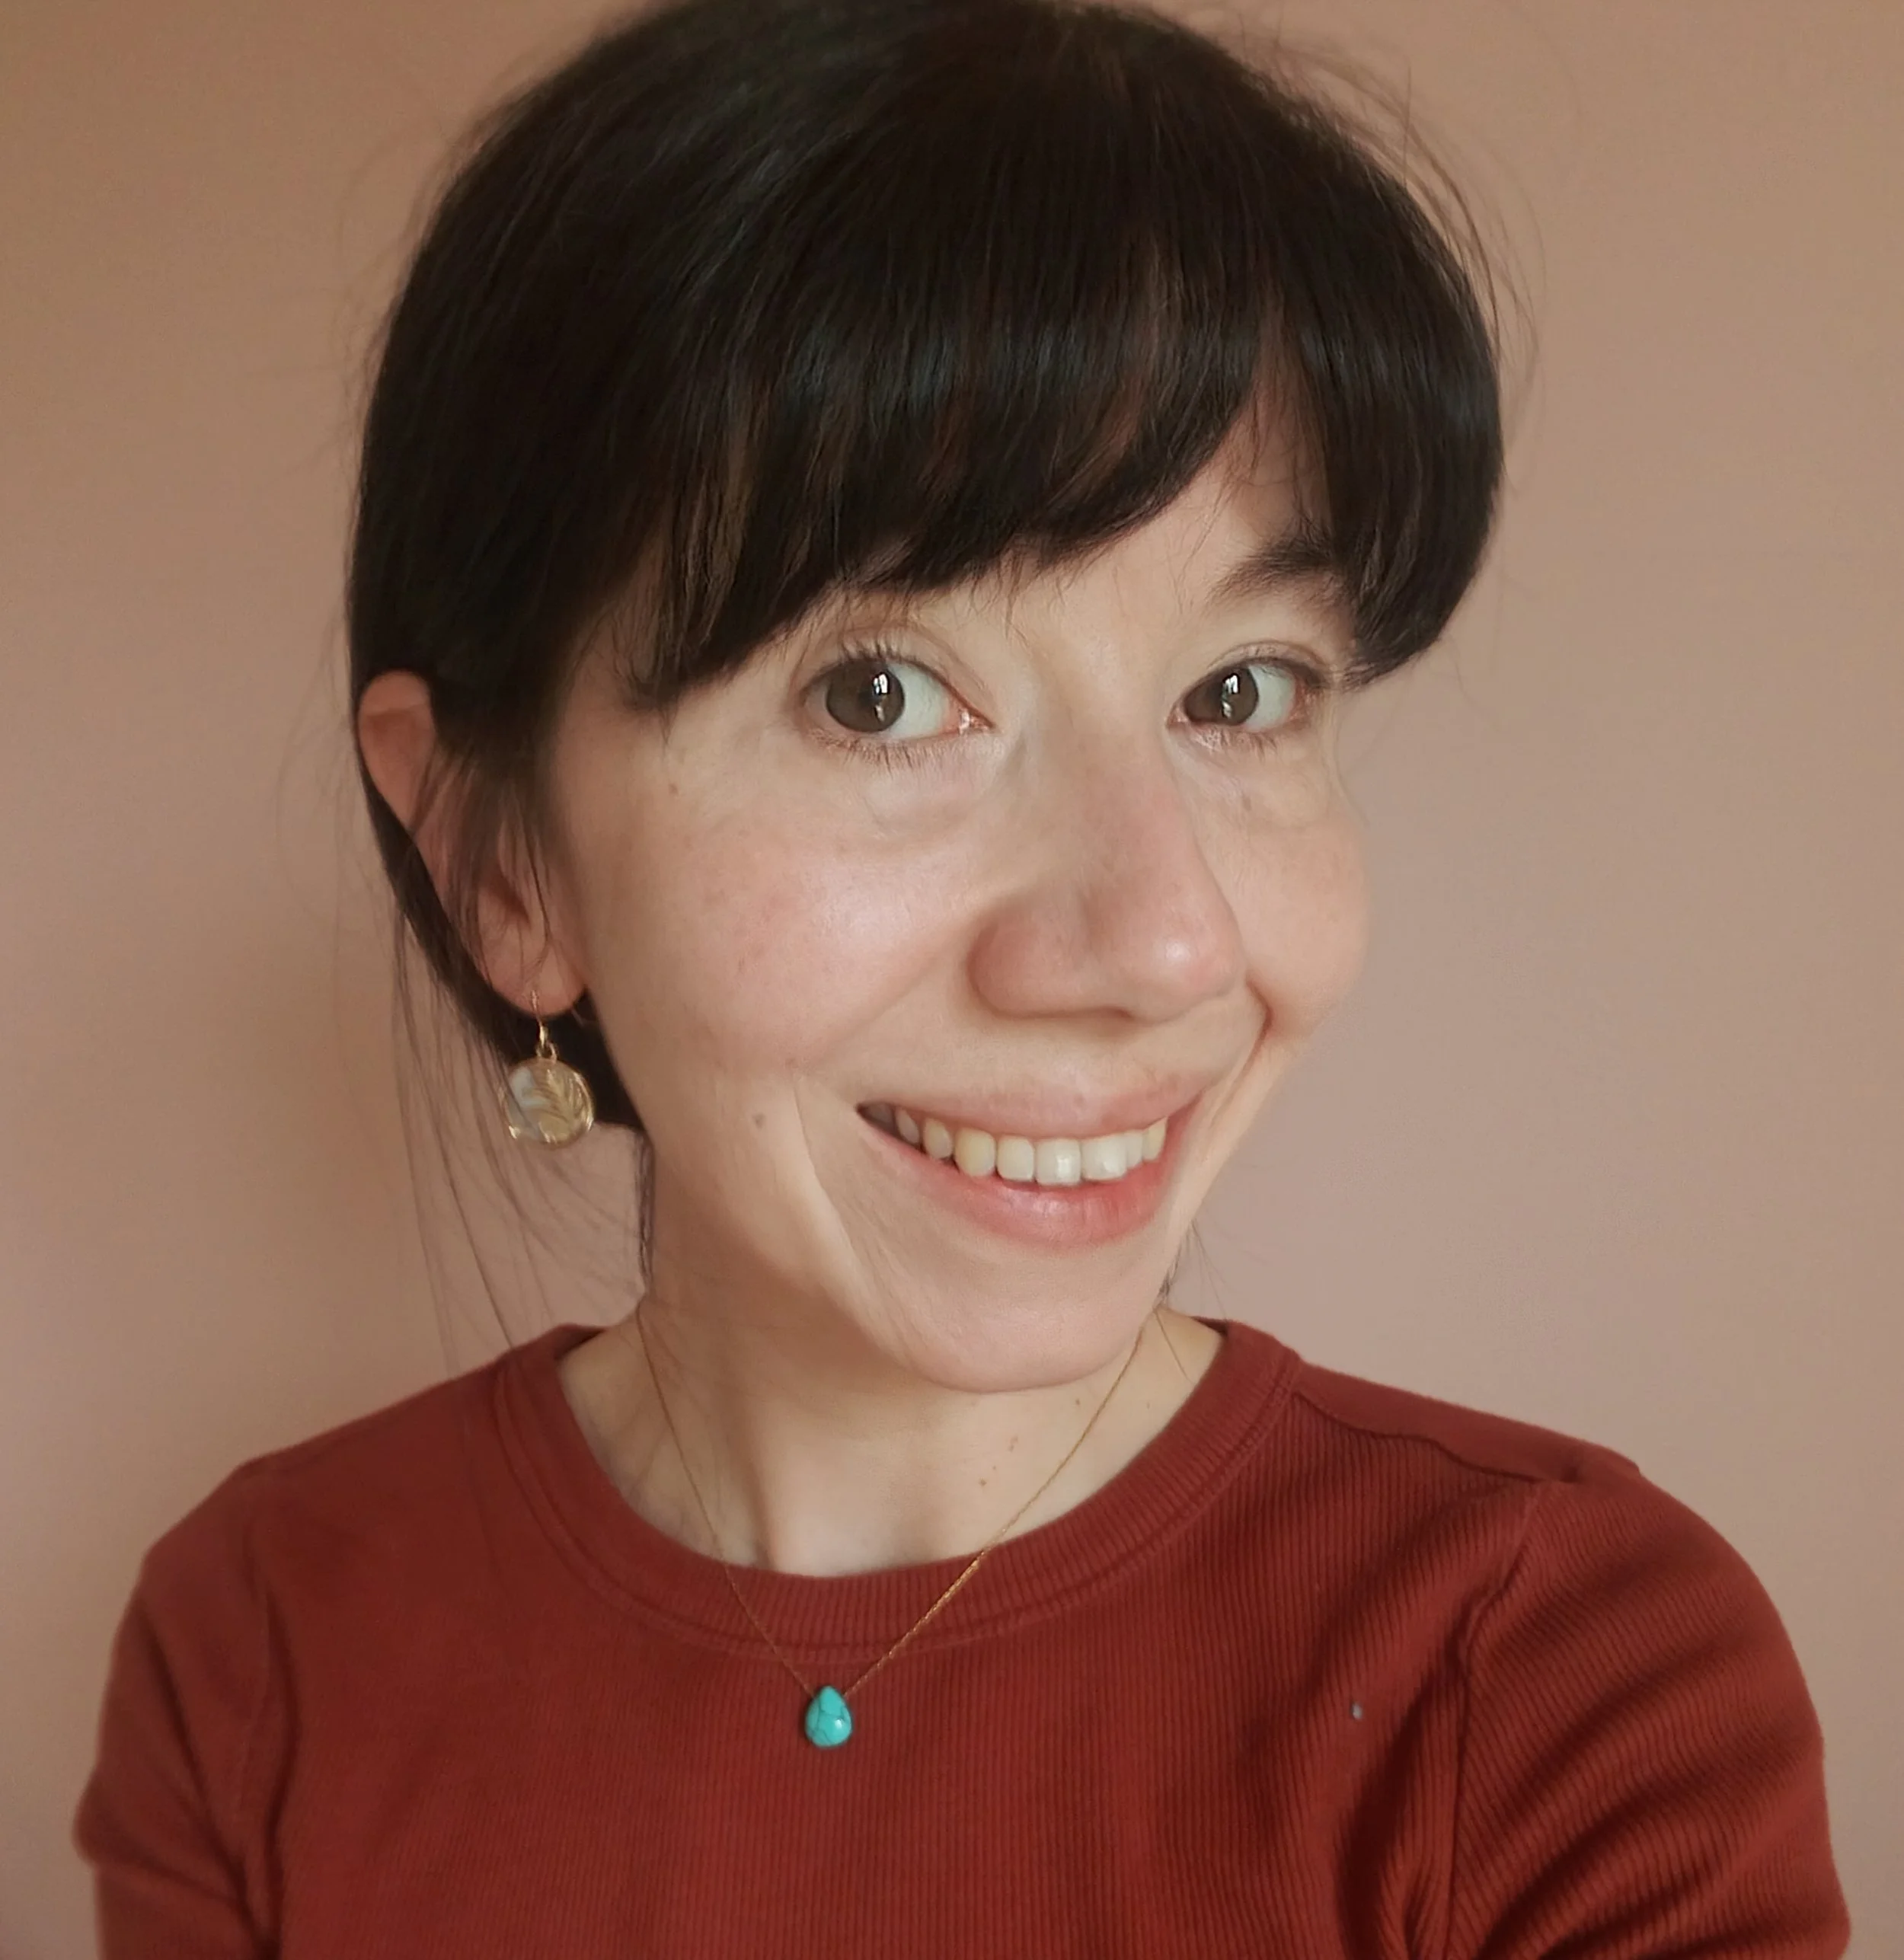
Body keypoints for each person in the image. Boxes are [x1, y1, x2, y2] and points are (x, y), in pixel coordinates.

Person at [73, 0, 1849, 1952]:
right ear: (502, 860)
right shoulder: (263, 1652)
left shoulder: (1556, 1692)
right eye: (879, 692)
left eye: (1237, 693)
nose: (1158, 940)